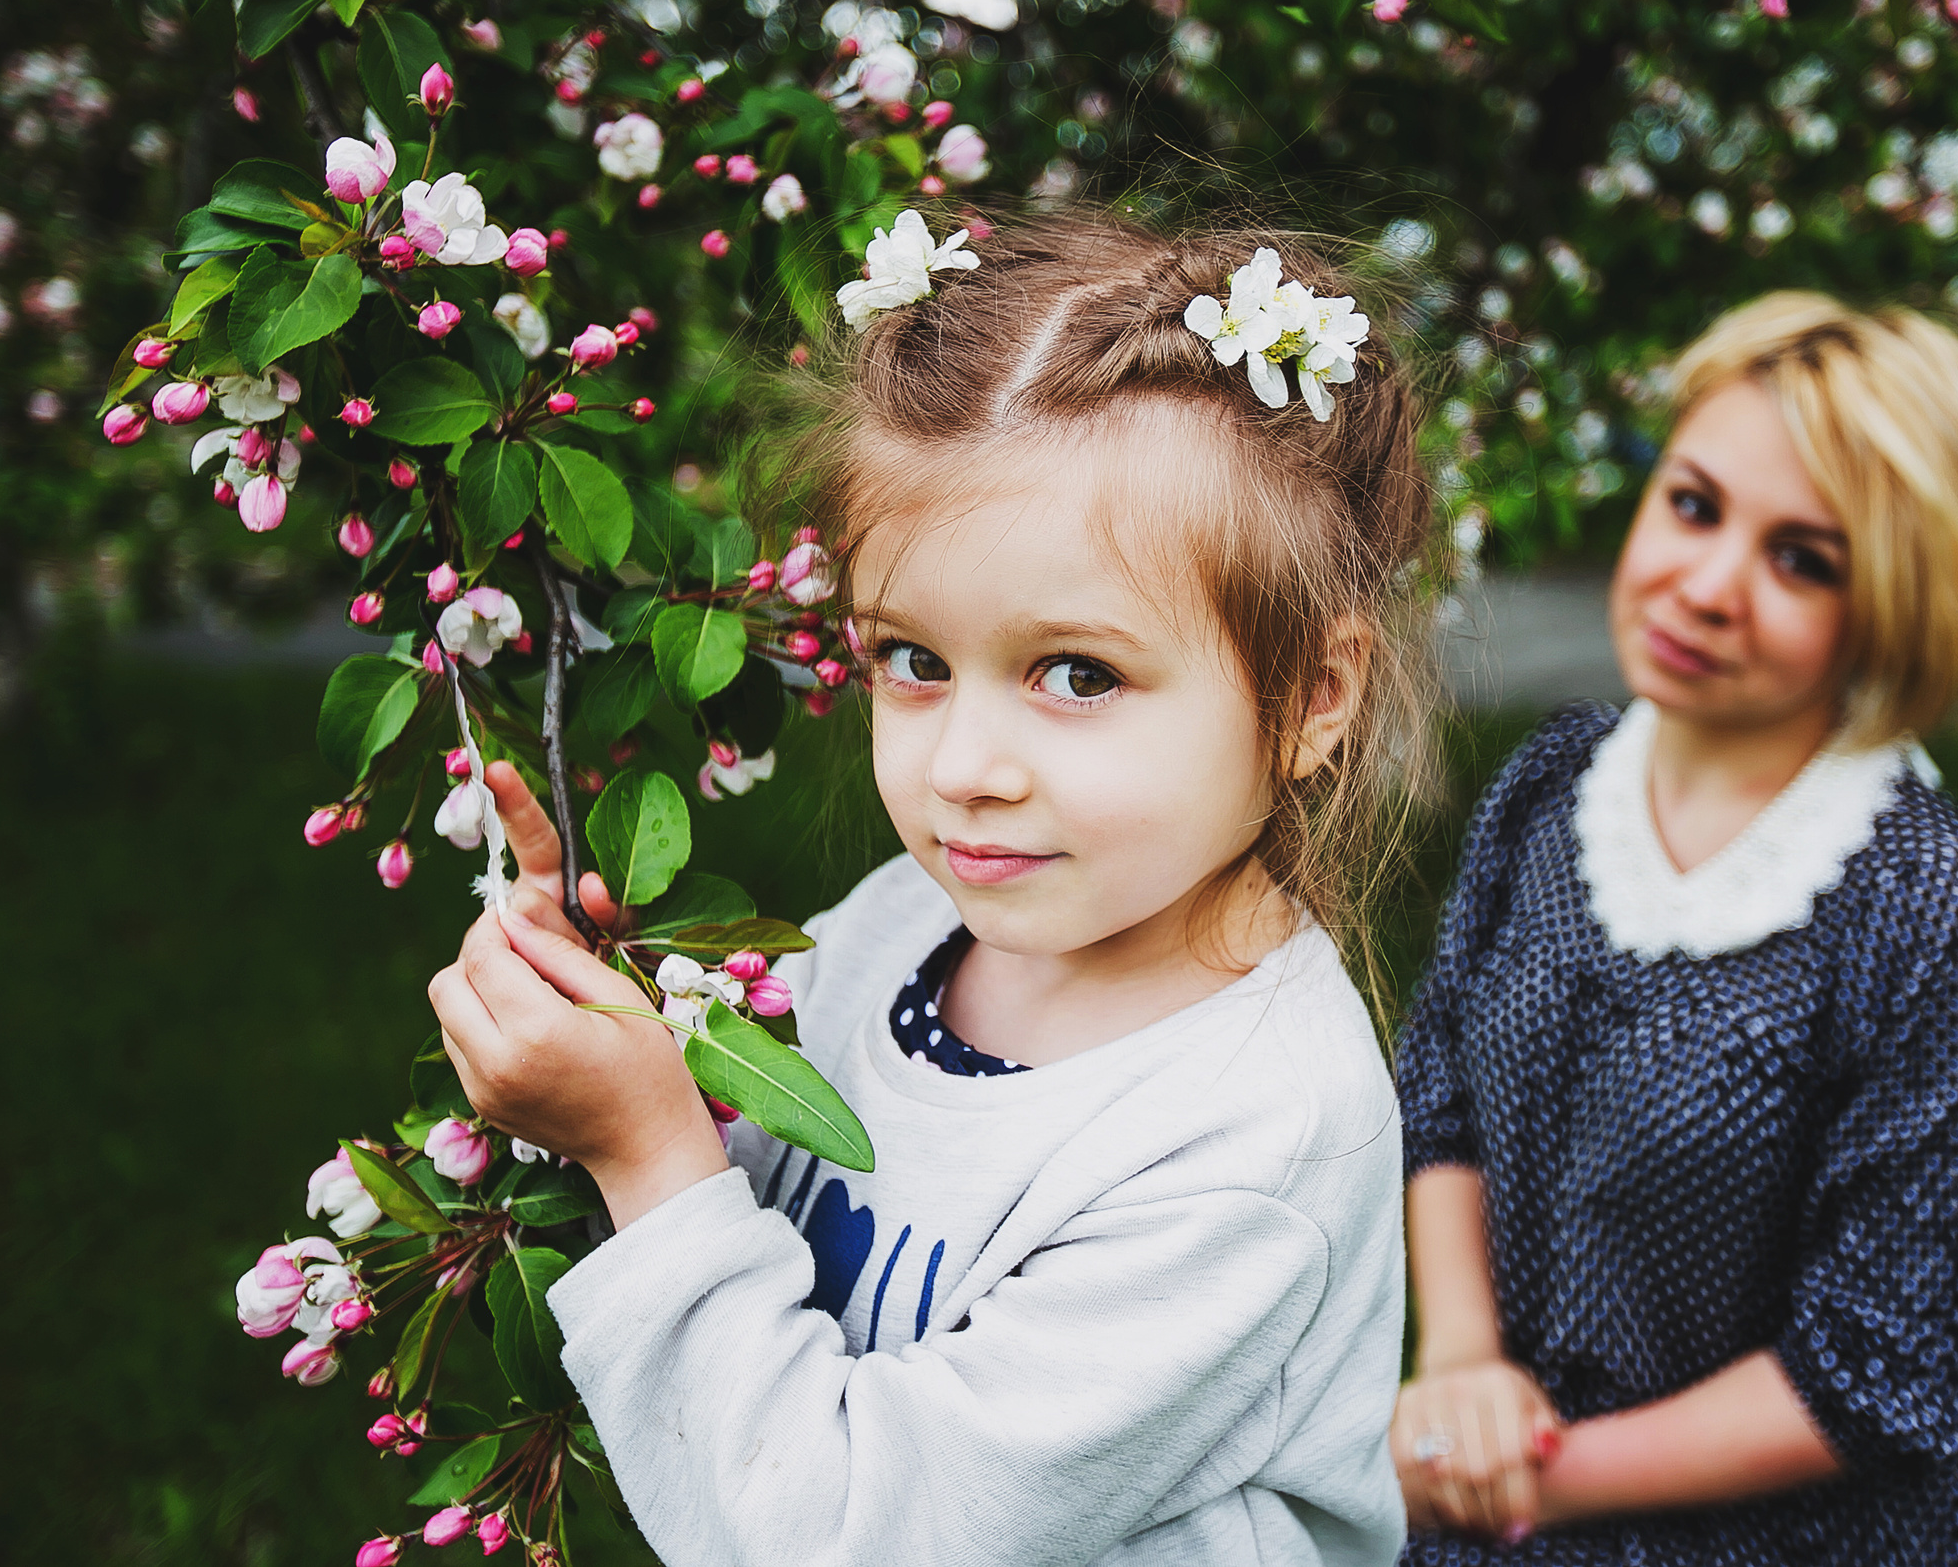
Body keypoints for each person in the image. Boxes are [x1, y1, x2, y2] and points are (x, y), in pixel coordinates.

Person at [424, 212, 1440, 1565]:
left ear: (1312, 695)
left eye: (1078, 674)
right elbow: (744, 1214)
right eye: (912, 658)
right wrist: (612, 1037)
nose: (963, 768)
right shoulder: (909, 925)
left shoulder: (1246, 1142)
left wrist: (646, 1153)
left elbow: (844, 1531)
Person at [1388, 292, 1958, 1565]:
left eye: (1802, 559)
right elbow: (1441, 1096)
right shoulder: (1553, 783)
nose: (1704, 586)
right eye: (1694, 504)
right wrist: (1463, 1363)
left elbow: (1891, 1361)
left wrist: (1510, 1480)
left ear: (1901, 605)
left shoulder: (1933, 914)